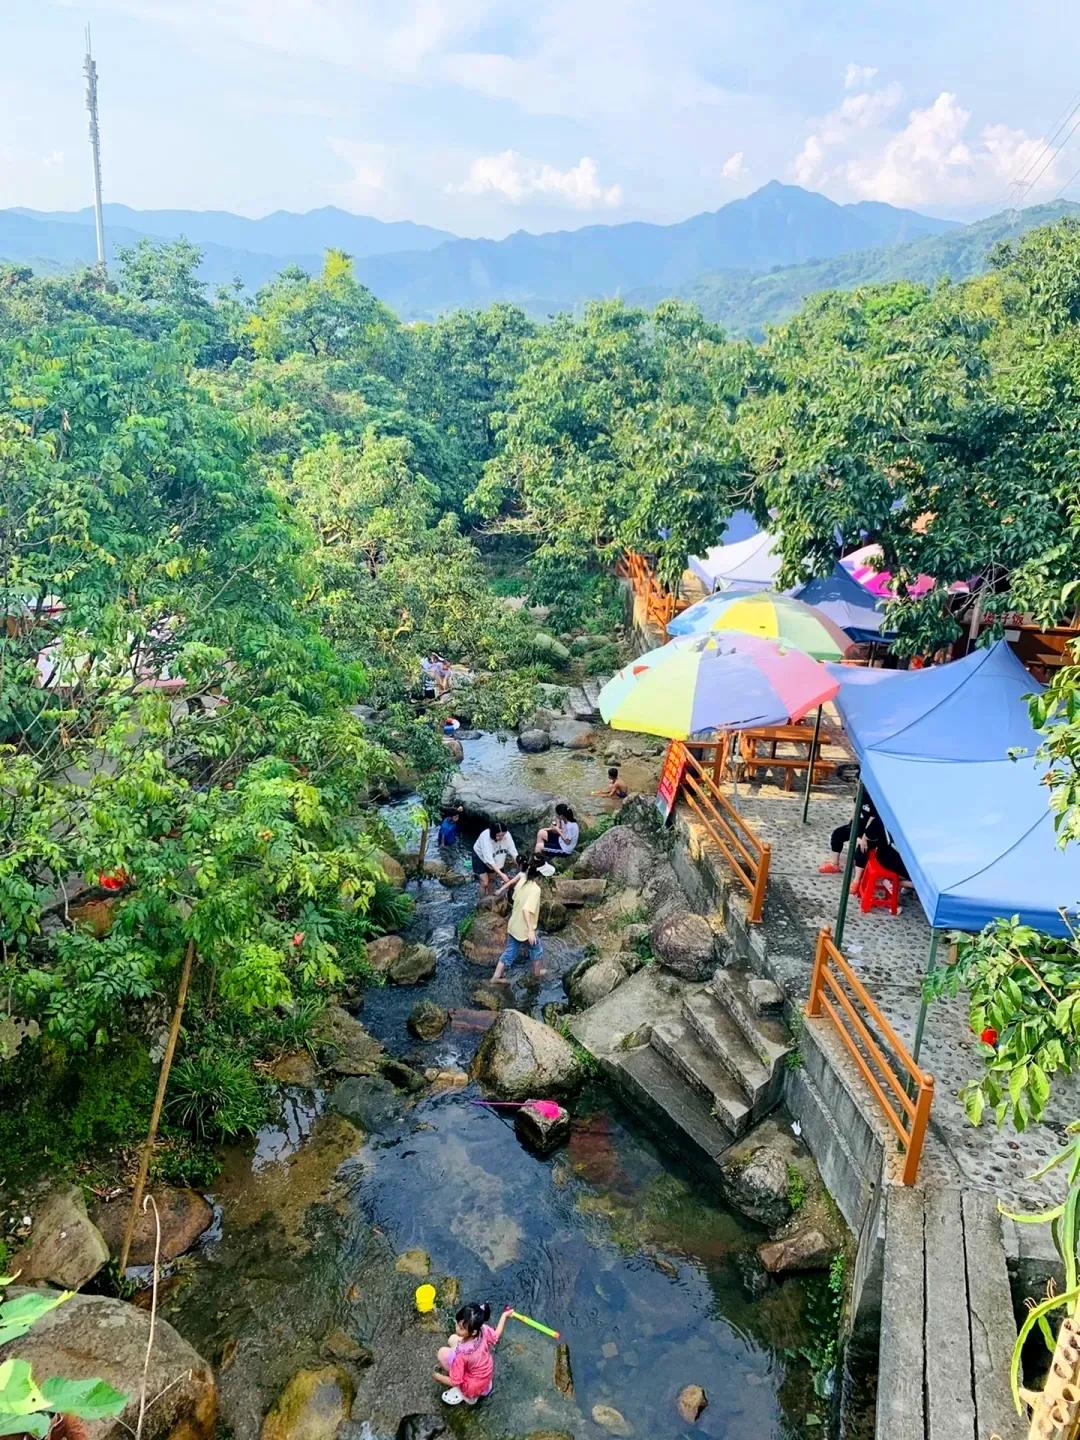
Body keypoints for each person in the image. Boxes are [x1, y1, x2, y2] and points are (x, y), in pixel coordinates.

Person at [434, 1302, 511, 1407]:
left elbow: (455, 1381)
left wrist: (438, 1377)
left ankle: (466, 1396)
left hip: (472, 1388)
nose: (456, 1327)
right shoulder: (483, 1330)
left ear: (473, 1332)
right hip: (486, 1380)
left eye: (461, 1328)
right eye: (457, 1323)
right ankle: (480, 1389)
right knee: (453, 1338)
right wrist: (504, 1316)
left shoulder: (461, 1354)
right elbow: (496, 1335)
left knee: (442, 1353)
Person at [492, 857, 555, 981]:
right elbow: (526, 909)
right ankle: (537, 973)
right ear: (540, 876)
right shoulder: (536, 890)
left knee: (510, 952)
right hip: (525, 929)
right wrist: (531, 930)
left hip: (514, 924)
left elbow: (515, 898)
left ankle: (495, 977)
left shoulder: (522, 879)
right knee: (537, 949)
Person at [819, 793, 877, 874]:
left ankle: (858, 878)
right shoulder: (862, 793)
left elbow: (873, 820)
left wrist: (864, 836)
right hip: (857, 826)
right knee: (838, 834)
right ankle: (834, 864)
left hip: (870, 832)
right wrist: (851, 825)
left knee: (862, 851)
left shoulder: (876, 799)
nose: (857, 784)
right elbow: (855, 809)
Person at [472, 820, 518, 895]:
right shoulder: (486, 838)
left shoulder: (507, 836)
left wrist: (520, 865)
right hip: (480, 856)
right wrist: (502, 874)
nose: (501, 837)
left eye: (503, 835)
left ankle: (491, 897)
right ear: (493, 833)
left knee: (492, 879)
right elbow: (490, 861)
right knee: (485, 882)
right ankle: (482, 901)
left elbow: (513, 852)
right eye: (498, 835)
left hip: (496, 854)